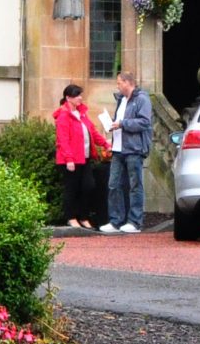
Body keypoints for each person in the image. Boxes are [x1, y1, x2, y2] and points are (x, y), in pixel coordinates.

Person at [104, 72, 155, 233]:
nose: (117, 86)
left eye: (119, 83)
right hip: (118, 148)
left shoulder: (142, 99)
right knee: (113, 184)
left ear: (128, 83)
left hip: (134, 148)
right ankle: (116, 221)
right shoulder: (121, 99)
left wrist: (122, 123)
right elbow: (120, 121)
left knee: (135, 185)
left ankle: (134, 221)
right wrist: (112, 124)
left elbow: (144, 122)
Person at [52, 83, 107, 230]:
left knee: (88, 187)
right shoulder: (64, 115)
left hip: (85, 158)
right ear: (68, 98)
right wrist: (69, 159)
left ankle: (83, 216)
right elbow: (62, 140)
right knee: (72, 189)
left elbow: (92, 132)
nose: (80, 98)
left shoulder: (82, 114)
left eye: (80, 95)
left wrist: (105, 144)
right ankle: (71, 217)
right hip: (70, 160)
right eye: (77, 95)